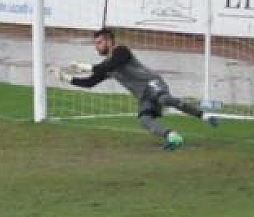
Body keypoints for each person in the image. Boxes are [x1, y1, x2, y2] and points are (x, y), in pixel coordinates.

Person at [62, 28, 216, 150]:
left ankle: (203, 115)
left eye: (99, 42)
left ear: (109, 41)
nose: (96, 46)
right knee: (144, 119)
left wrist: (83, 66)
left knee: (164, 99)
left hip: (152, 83)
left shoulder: (121, 51)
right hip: (143, 95)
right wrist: (65, 78)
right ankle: (173, 136)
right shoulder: (106, 65)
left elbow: (109, 65)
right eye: (95, 43)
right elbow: (90, 83)